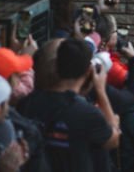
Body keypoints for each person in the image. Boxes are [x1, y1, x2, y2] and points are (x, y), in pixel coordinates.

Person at [19, 37, 119, 171]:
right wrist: (101, 91)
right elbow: (113, 140)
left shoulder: (27, 102)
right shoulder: (86, 113)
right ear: (88, 70)